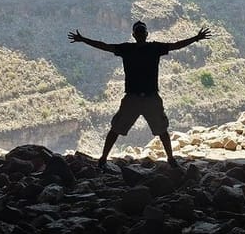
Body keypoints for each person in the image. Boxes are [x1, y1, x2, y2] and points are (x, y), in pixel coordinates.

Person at [68, 21, 211, 168]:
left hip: (133, 98)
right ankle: (170, 159)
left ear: (134, 35)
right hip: (150, 97)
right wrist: (196, 38)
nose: (141, 34)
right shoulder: (154, 48)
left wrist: (83, 39)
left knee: (117, 129)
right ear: (144, 34)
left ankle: (103, 159)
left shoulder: (127, 49)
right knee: (161, 130)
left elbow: (104, 46)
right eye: (141, 32)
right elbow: (176, 45)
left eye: (140, 32)